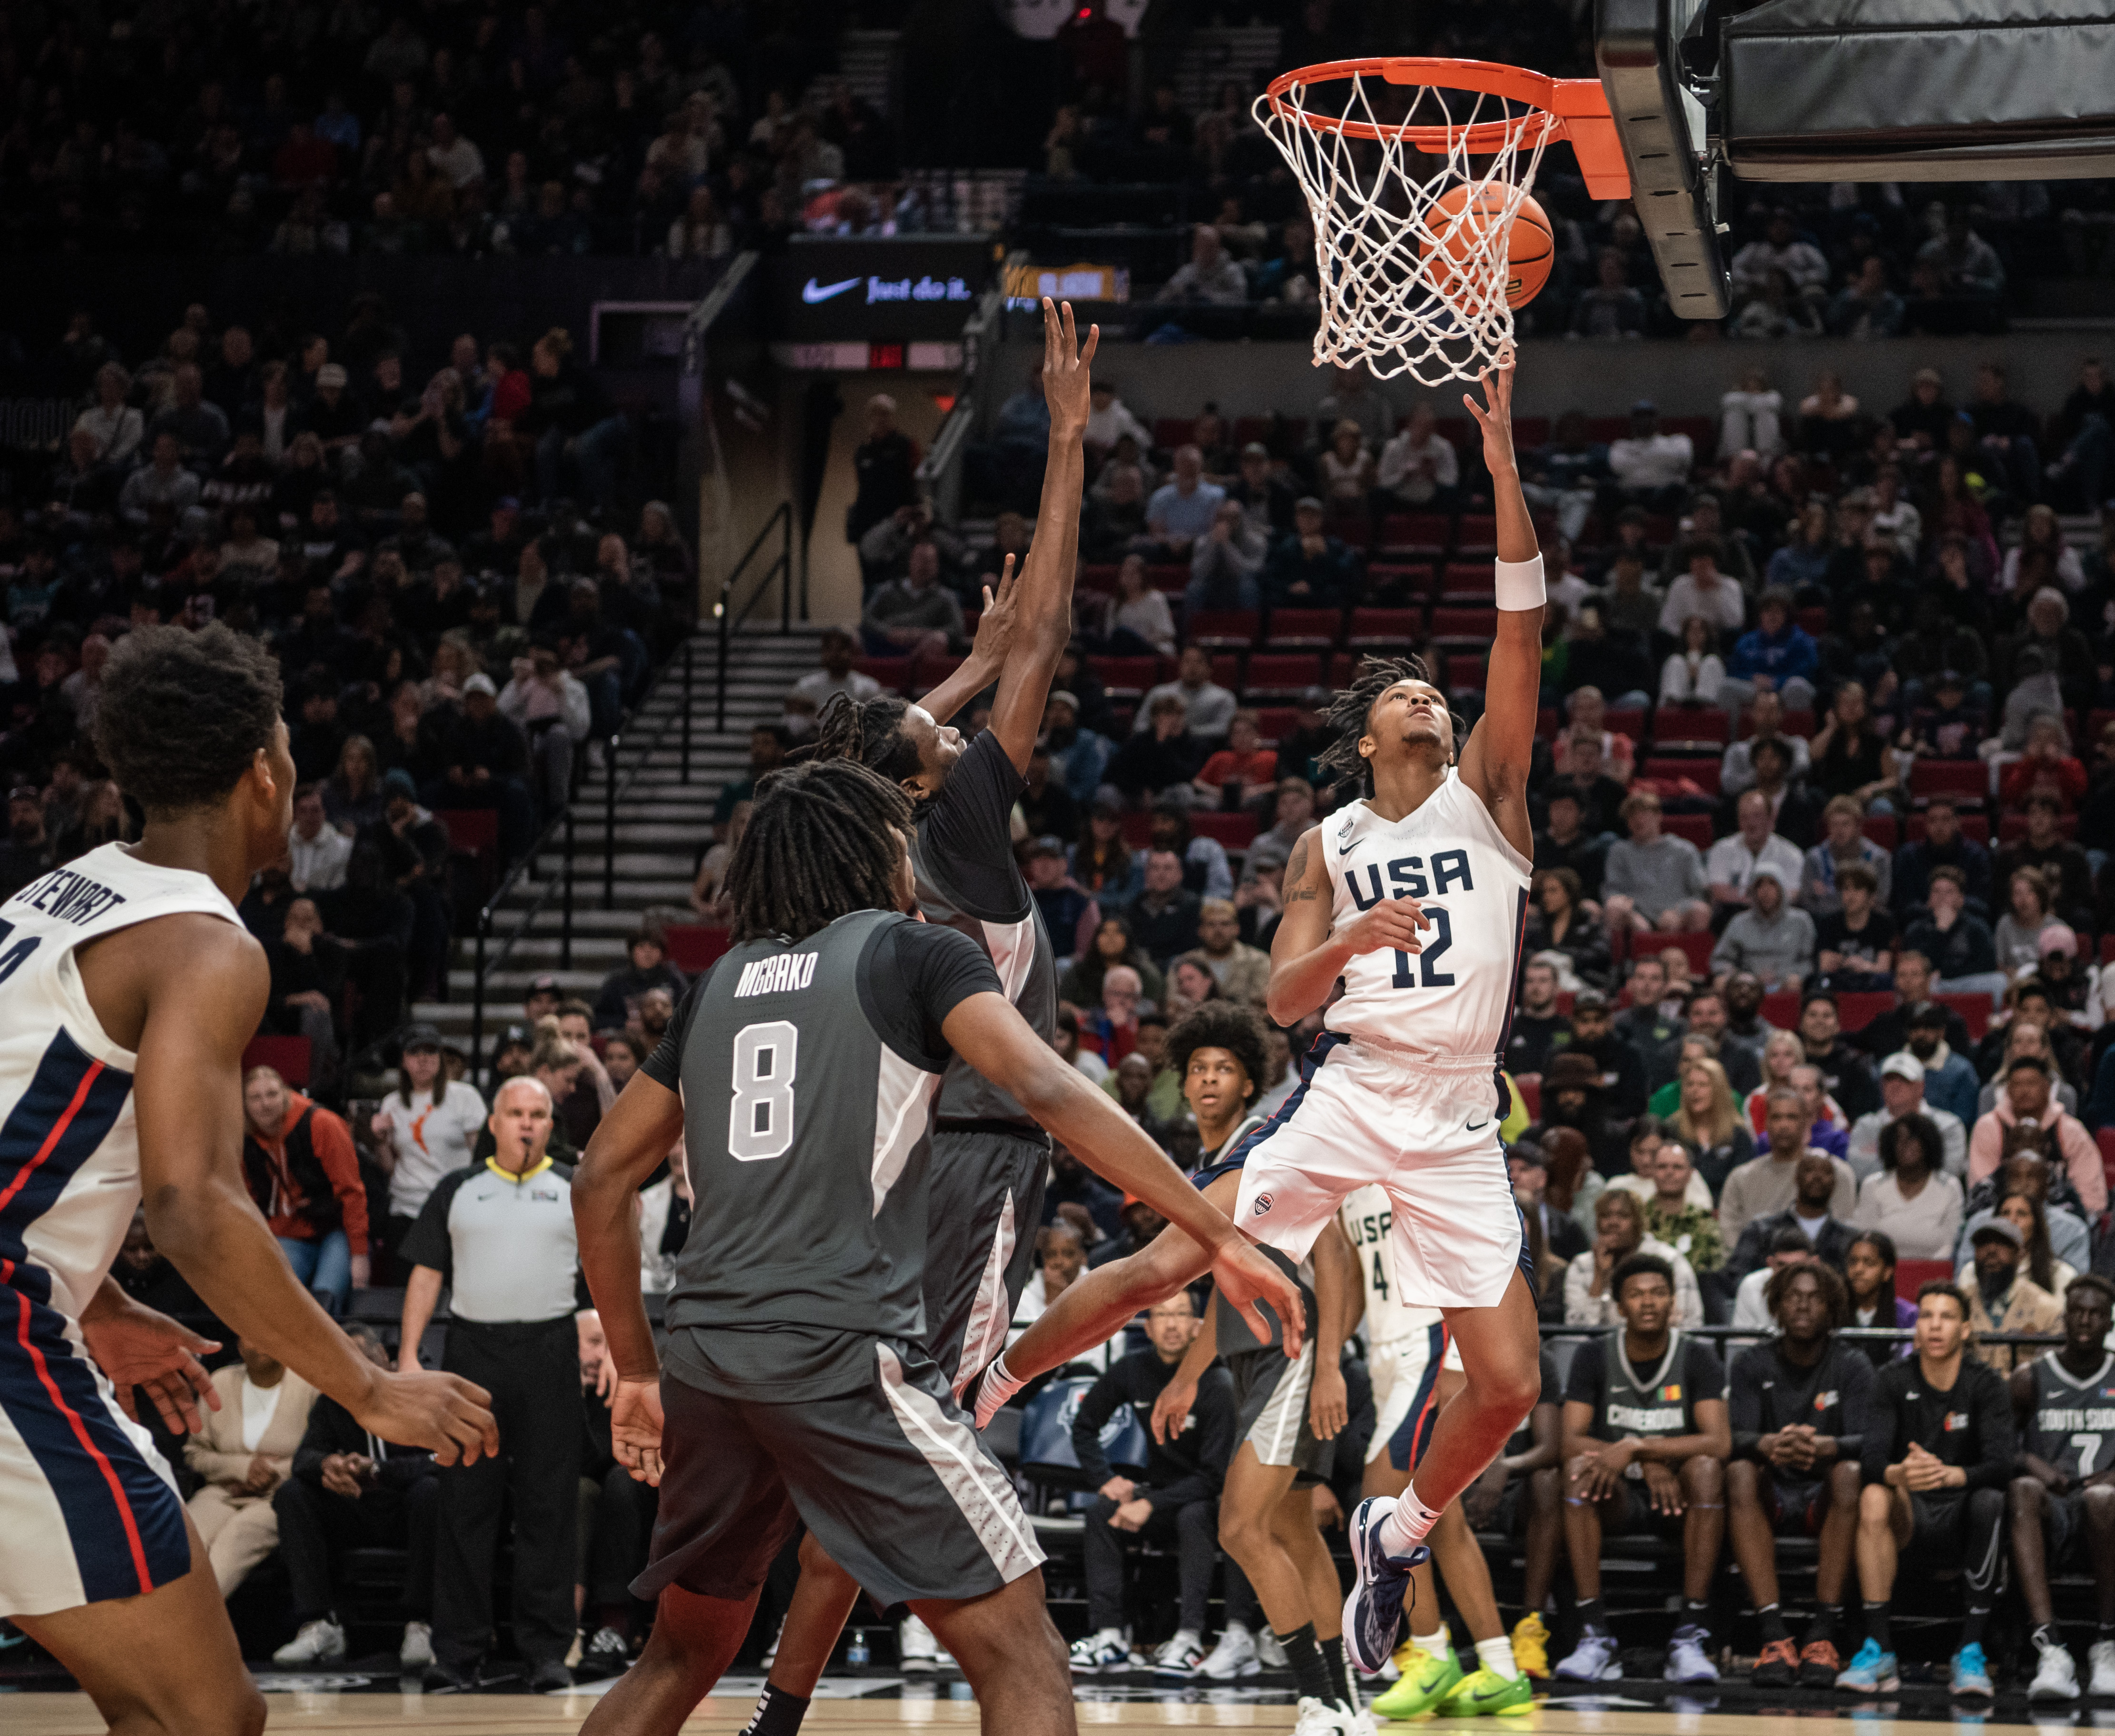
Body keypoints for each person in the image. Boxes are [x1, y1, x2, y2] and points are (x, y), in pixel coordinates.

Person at [981, 356, 1550, 1699]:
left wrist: (1503, 466)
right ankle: (988, 1385)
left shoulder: (1493, 798)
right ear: (1361, 737)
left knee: (1509, 1386)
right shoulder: (1329, 843)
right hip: (1348, 1089)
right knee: (1166, 1259)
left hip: (1459, 1112)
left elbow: (1519, 628)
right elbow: (1282, 1001)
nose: (1429, 695)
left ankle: (1393, 1535)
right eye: (1401, 692)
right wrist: (1347, 941)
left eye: (1434, 688)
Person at [568, 757, 1300, 1736]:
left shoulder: (718, 985)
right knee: (1024, 1653)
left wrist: (636, 1368)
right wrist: (1215, 1230)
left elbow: (600, 1178)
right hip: (836, 1347)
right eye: (891, 831)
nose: (908, 849)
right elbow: (1044, 1089)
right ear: (864, 847)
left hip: (706, 1354)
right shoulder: (914, 953)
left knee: (682, 1651)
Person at [0, 625, 495, 1733]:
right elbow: (192, 1204)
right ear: (264, 772)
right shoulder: (205, 944)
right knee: (204, 1716)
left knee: (166, 1707)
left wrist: (99, 1296)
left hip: (33, 1311)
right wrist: (369, 1387)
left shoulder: (53, 898)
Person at [1148, 1001, 1366, 1720]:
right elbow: (1223, 1294)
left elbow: (1333, 1256)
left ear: (1249, 1084)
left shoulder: (1264, 1147)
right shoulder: (1208, 1168)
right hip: (1252, 1360)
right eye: (1199, 1069)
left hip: (1296, 1355)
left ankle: (1316, 1700)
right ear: (1183, 1084)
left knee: (1241, 1527)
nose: (1210, 1080)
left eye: (1225, 1069)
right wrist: (1185, 1378)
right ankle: (1346, 1704)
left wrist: (1330, 1362)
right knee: (1295, 1533)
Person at [395, 1075, 588, 1691]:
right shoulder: (458, 1188)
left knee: (548, 1504)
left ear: (551, 1125)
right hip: (472, 1352)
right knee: (464, 1502)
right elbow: (427, 1274)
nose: (527, 1123)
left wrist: (608, 1341)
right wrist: (406, 1357)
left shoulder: (575, 1189)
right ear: (493, 1125)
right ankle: (456, 1652)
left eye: (538, 1114)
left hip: (552, 1350)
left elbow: (608, 1269)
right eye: (515, 1113)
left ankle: (545, 1652)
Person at [1335, 1186, 1530, 1719]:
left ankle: (1430, 1654)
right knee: (1440, 1520)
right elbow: (1356, 1276)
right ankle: (1502, 1672)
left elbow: (1467, 1251)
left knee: (1384, 1497)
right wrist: (1330, 1356)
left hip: (1430, 1340)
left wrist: (1456, 1369)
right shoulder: (1348, 1170)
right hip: (1383, 1352)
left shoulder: (1418, 1156)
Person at [1554, 1253, 1731, 1683]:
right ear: (1618, 1306)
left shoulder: (1698, 1357)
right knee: (1577, 1469)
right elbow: (1569, 1440)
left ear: (1673, 1301)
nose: (1648, 1303)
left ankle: (1689, 1636)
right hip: (1616, 1499)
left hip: (1679, 1500)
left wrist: (1639, 1449)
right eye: (1635, 1294)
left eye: (1657, 1293)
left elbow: (1718, 1442)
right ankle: (1595, 1635)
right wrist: (1638, 1460)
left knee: (1707, 1470)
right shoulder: (1594, 1356)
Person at [1839, 1282, 2015, 1699]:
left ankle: (1969, 1651)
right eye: (1926, 1317)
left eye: (1947, 1317)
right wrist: (1902, 1473)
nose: (1934, 1327)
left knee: (1992, 1500)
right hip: (1909, 1511)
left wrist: (1952, 1475)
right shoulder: (1891, 1379)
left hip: (1962, 1512)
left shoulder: (1986, 1383)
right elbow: (1871, 1459)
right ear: (1916, 1327)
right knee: (1873, 1494)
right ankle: (1879, 1649)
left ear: (1966, 1330)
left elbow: (2002, 1464)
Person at [1065, 1293, 1233, 1678]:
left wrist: (1150, 1504)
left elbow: (1213, 1477)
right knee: (1101, 1513)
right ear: (1148, 1327)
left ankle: (1189, 1638)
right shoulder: (1131, 1369)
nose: (1172, 1325)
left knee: (1194, 1517)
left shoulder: (1217, 1382)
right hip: (1159, 1491)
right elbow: (1084, 1426)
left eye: (1181, 1315)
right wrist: (1105, 1481)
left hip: (1205, 1497)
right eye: (1162, 1315)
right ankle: (1109, 1636)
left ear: (1197, 1327)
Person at [1726, 1258, 1875, 1687]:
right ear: (1776, 1306)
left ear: (1831, 1308)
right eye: (1793, 1298)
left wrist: (1828, 1447)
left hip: (1824, 1500)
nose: (1803, 1307)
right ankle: (1773, 1635)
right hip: (1770, 1495)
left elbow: (1871, 1442)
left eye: (1814, 1299)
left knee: (1849, 1472)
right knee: (1738, 1471)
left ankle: (1822, 1636)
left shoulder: (1852, 1364)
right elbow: (1733, 1436)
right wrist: (1766, 1444)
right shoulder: (1752, 1364)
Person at [271, 1320, 441, 1670]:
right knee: (293, 1494)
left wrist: (378, 1471)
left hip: (405, 1508)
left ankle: (421, 1624)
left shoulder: (419, 1393)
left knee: (432, 1491)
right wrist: (329, 1465)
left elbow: (438, 1461)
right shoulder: (333, 1402)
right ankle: (320, 1624)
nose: (352, 1371)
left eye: (360, 1359)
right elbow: (304, 1457)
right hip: (357, 1509)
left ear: (383, 1356)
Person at [2009, 1275, 2115, 1701]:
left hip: (2106, 1509)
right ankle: (2050, 1648)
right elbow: (1994, 1446)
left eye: (2095, 1313)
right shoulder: (2029, 1377)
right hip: (2052, 1509)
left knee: (2101, 1499)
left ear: (2109, 1322)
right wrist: (2028, 1461)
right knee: (2020, 1490)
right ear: (2063, 1318)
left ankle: (2106, 1643)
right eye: (2077, 1312)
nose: (2085, 1320)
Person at [180, 1334, 320, 1598]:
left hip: (279, 1497)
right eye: (250, 1335)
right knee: (185, 1541)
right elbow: (194, 1453)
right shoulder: (220, 1381)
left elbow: (321, 1455)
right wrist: (244, 1468)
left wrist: (274, 1474)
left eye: (266, 1332)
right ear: (240, 1347)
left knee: (230, 1546)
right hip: (224, 1490)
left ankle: (189, 1630)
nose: (261, 1341)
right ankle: (165, 1625)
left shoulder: (310, 1386)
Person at [241, 1064, 368, 1309]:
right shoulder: (244, 1138)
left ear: (286, 1094)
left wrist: (359, 1255)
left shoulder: (322, 1124)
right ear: (245, 1105)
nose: (265, 1104)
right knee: (276, 1301)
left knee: (325, 1299)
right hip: (287, 1230)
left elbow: (352, 1193)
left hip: (336, 1228)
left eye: (272, 1094)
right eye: (255, 1098)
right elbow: (248, 1198)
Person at [369, 1023, 489, 1272]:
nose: (423, 1059)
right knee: (402, 1293)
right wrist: (380, 1141)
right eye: (415, 1053)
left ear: (440, 1058)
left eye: (430, 1052)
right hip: (405, 1208)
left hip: (453, 1205)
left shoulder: (465, 1097)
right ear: (403, 1060)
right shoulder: (391, 1103)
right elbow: (389, 1167)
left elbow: (481, 1157)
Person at [1968, 1054, 2106, 1216]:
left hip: (2060, 1223)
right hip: (2001, 1221)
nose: (2025, 1091)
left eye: (2032, 1083)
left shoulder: (2071, 1130)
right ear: (2008, 1090)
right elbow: (1982, 1191)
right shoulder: (1989, 1127)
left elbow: (2091, 1197)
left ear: (2047, 1087)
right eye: (2018, 1084)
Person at [1720, 1088, 1858, 1241]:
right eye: (1776, 1118)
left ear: (1806, 1122)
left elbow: (1843, 1234)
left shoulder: (1834, 1173)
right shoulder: (1741, 1178)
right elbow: (1730, 1238)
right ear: (1766, 1123)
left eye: (1792, 1117)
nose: (1784, 1125)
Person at [1564, 1188, 1705, 1329]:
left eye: (1623, 1216)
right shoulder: (1581, 1266)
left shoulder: (1670, 1260)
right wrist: (1599, 1279)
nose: (1613, 1223)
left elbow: (1690, 1322)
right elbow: (1576, 1332)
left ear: (1638, 1223)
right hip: (1600, 1350)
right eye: (1605, 1216)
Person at [1728, 1150, 1860, 1279]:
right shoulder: (1761, 1231)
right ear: (1796, 1178)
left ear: (1835, 1183)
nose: (1817, 1177)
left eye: (1826, 1172)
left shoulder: (1850, 1240)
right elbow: (1736, 1277)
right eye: (1809, 1170)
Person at [1853, 1111, 1966, 1260]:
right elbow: (1865, 1238)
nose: (1904, 1145)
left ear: (1928, 1143)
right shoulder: (1872, 1185)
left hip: (1935, 1271)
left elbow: (1951, 1243)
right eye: (1898, 1140)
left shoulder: (1950, 1187)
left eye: (1912, 1139)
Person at [1959, 1216, 2064, 1374]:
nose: (1991, 1251)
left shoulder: (2048, 1309)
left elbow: (2052, 1374)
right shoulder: (1957, 1304)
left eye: (2002, 1243)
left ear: (2020, 1254)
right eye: (1983, 1243)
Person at [1601, 791, 1711, 935]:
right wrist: (1633, 914)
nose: (1638, 819)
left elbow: (1700, 892)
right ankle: (1617, 956)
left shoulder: (1684, 850)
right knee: (1614, 907)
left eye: (1644, 813)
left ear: (1658, 816)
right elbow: (1614, 890)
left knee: (1700, 910)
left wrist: (1679, 911)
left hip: (1676, 913)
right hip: (1636, 915)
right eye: (1632, 815)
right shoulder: (1620, 851)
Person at [1846, 1052, 1967, 1181]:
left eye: (1904, 1080)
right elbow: (1859, 1172)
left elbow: (1948, 1173)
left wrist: (1884, 1157)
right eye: (1890, 1079)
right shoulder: (1865, 1125)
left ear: (1920, 1087)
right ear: (1882, 1086)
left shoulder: (1948, 1126)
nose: (1895, 1085)